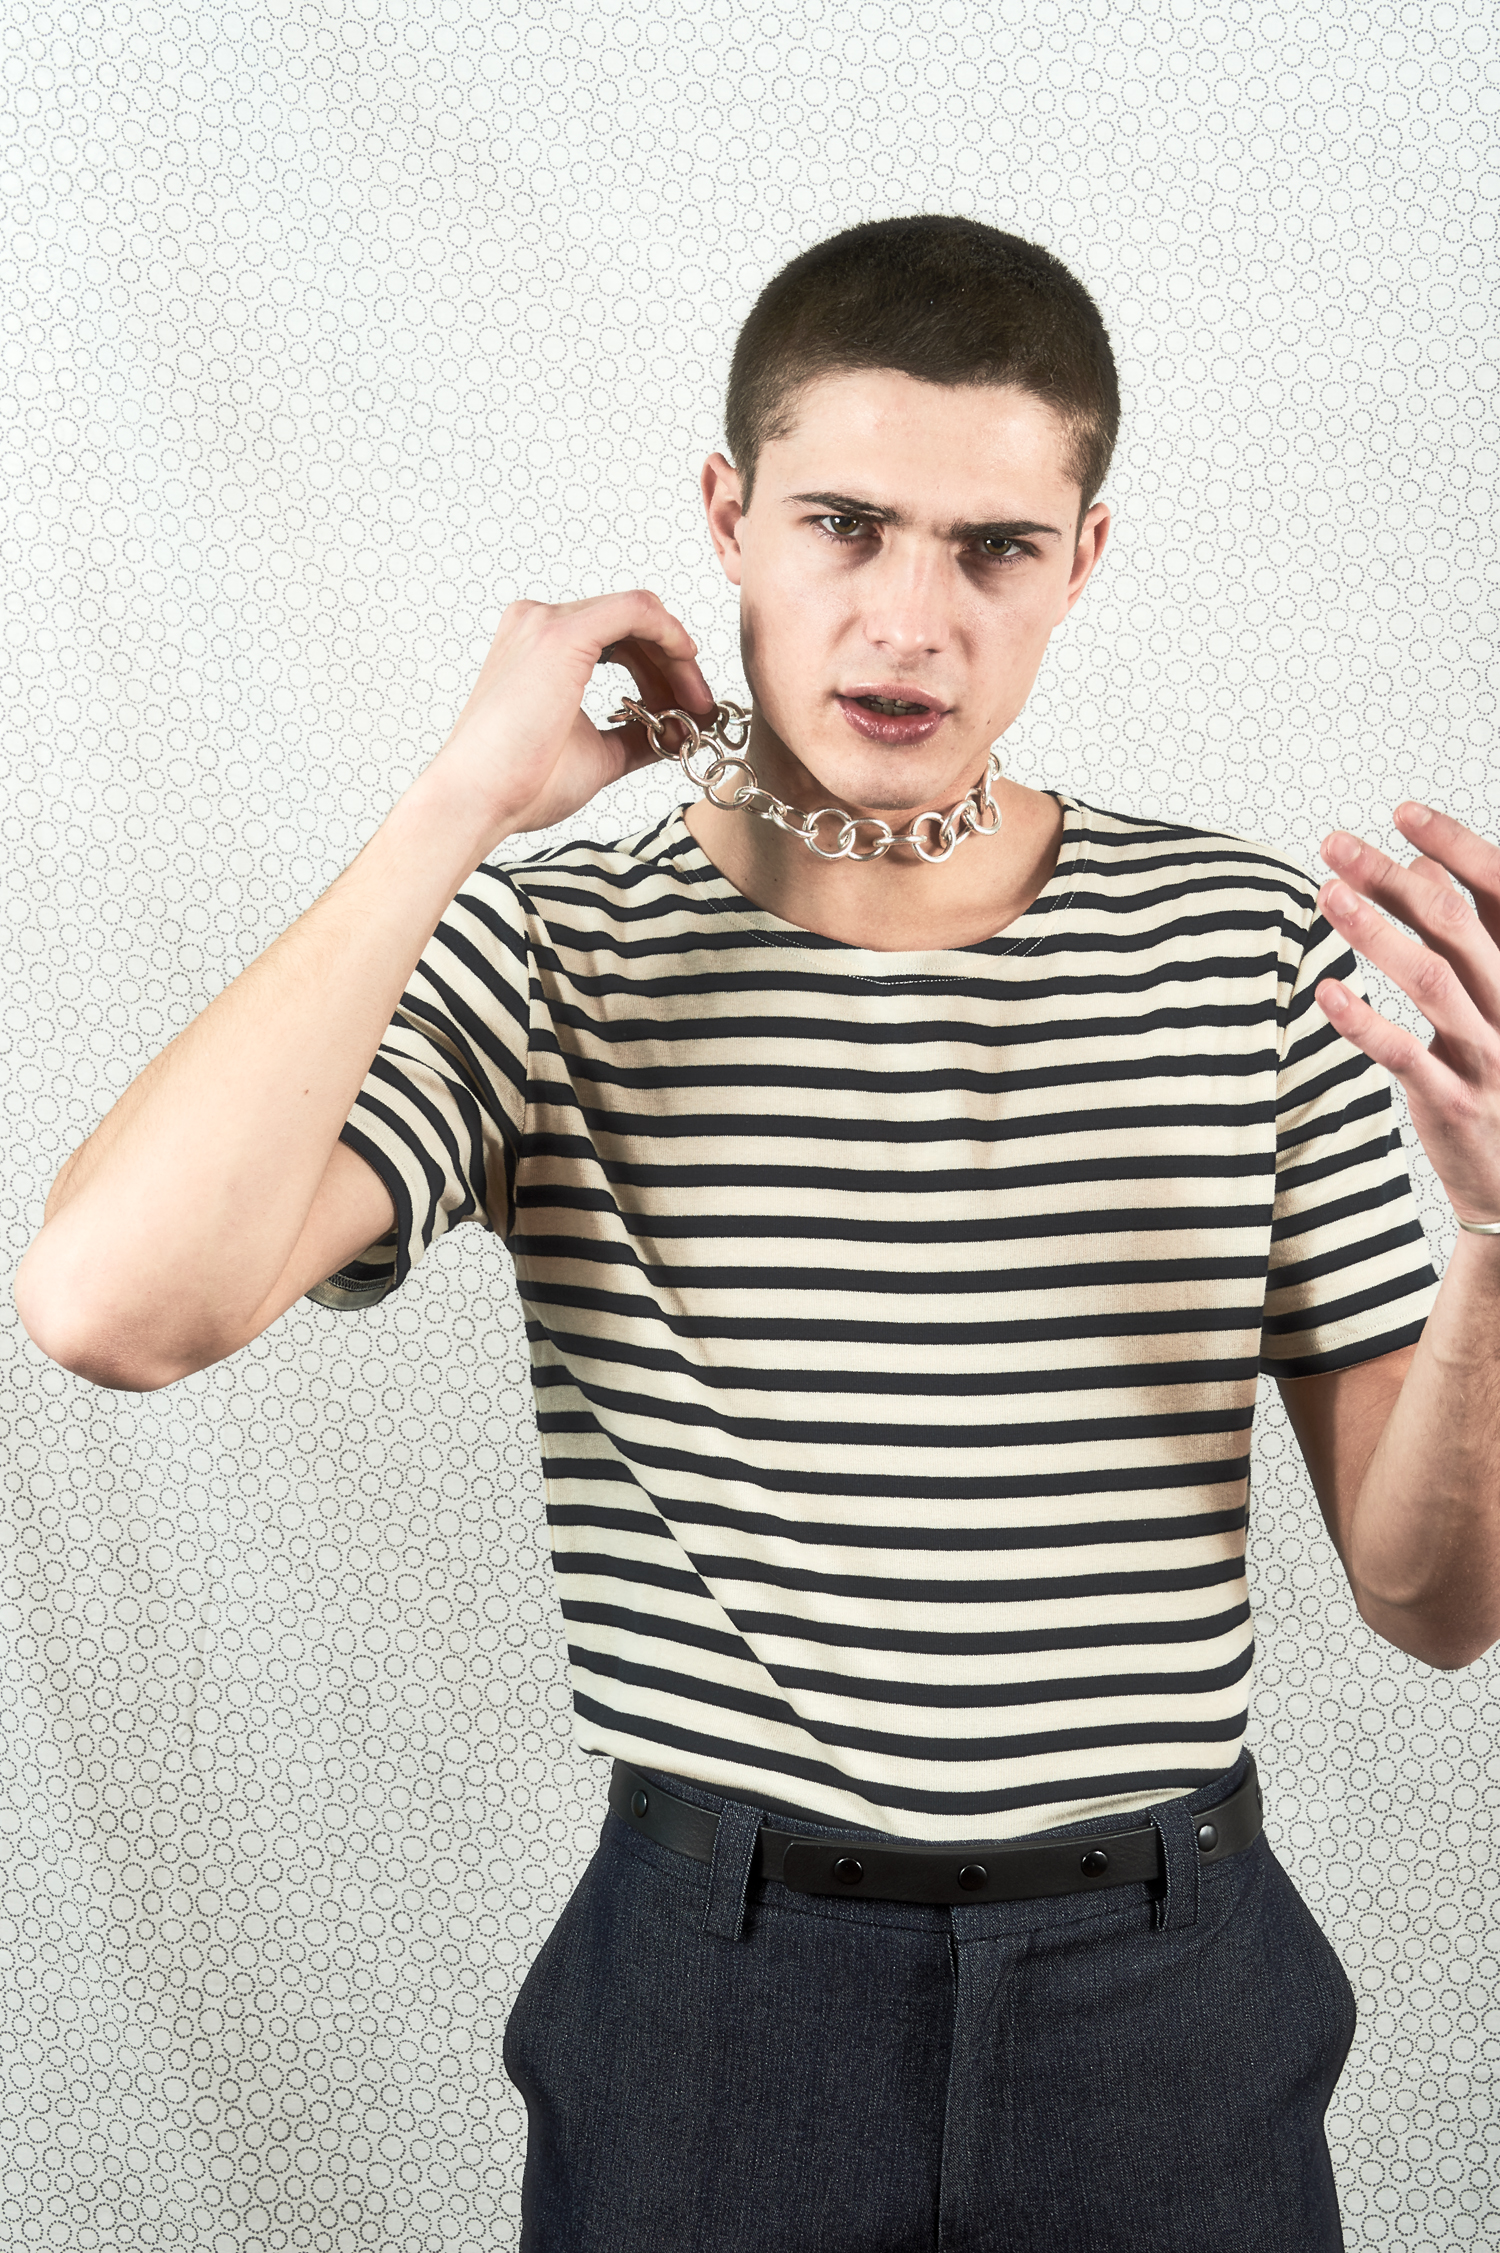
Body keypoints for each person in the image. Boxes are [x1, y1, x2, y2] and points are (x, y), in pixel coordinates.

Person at [15, 216, 1500, 2250]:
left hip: (1165, 1988)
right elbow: (107, 1301)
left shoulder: (1244, 945)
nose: (909, 618)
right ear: (727, 515)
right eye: (844, 524)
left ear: (1084, 559)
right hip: (726, 1990)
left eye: (991, 546)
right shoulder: (556, 949)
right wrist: (454, 803)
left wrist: (1497, 1240)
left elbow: (1438, 1599)